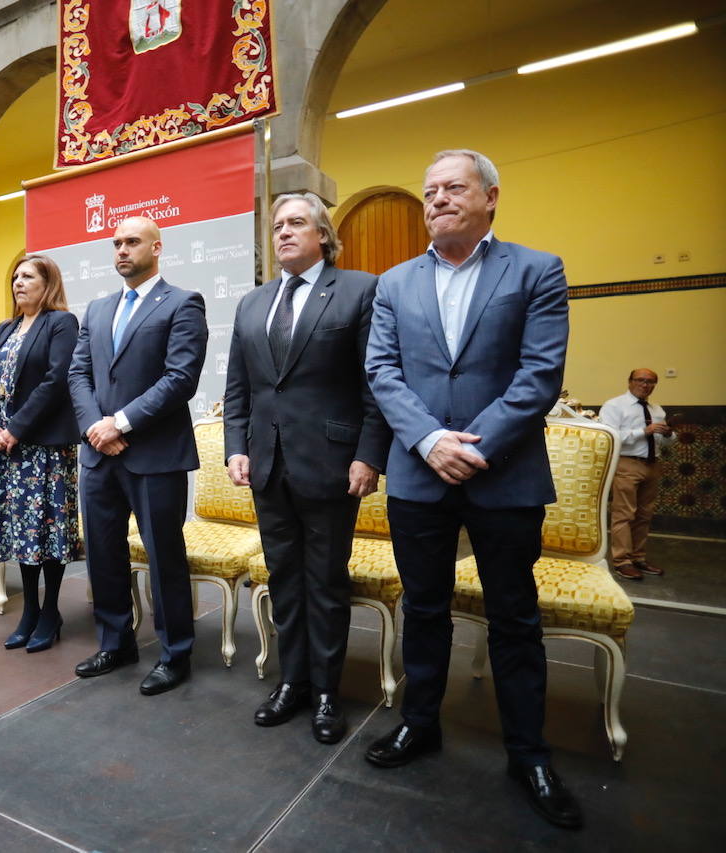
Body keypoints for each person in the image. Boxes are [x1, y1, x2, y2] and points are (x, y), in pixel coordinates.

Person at [364, 150, 580, 829]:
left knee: (515, 617)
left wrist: (473, 445)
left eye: (452, 187)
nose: (436, 199)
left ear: (490, 196)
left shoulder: (537, 270)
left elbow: (540, 374)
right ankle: (418, 724)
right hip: (417, 475)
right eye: (428, 191)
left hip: (504, 472)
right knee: (423, 608)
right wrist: (430, 441)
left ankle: (529, 754)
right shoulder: (394, 282)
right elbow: (382, 371)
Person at [223, 192, 390, 742]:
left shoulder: (360, 290)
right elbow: (240, 388)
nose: (284, 233)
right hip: (268, 467)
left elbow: (375, 384)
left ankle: (325, 692)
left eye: (296, 223)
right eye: (277, 226)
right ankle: (291, 682)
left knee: (325, 583)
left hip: (333, 465)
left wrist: (368, 454)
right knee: (285, 582)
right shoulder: (252, 304)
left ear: (323, 234)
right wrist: (235, 446)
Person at [67, 216, 208, 695]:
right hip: (98, 454)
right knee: (103, 554)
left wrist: (119, 423)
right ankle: (115, 642)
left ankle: (175, 653)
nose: (122, 250)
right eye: (116, 243)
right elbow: (78, 375)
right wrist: (94, 427)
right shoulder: (99, 308)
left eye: (132, 242)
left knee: (164, 555)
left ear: (157, 247)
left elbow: (180, 379)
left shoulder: (183, 303)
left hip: (155, 454)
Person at [0, 255, 83, 653]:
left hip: (43, 447)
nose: (19, 283)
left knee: (47, 530)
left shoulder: (61, 323)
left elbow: (56, 380)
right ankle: (30, 609)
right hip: (7, 447)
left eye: (28, 277)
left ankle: (51, 610)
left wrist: (16, 429)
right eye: (15, 277)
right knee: (21, 532)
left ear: (48, 283)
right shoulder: (5, 328)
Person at [599, 368, 674, 581]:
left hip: (652, 464)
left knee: (644, 515)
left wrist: (669, 434)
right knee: (624, 514)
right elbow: (609, 437)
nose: (645, 384)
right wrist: (644, 431)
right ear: (630, 381)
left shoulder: (657, 409)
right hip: (626, 464)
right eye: (641, 380)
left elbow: (665, 441)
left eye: (651, 381)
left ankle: (639, 557)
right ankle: (622, 561)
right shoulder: (614, 406)